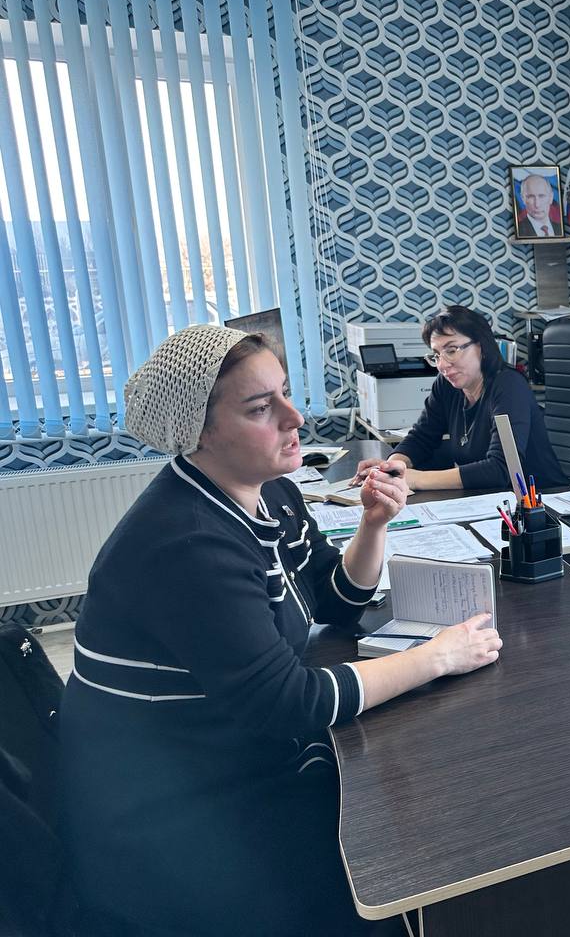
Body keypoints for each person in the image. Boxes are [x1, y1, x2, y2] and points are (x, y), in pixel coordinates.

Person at [59, 325, 502, 936]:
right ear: (200, 432)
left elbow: (337, 600)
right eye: (260, 408)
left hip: (231, 754)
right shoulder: (187, 543)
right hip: (172, 809)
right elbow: (288, 702)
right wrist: (436, 657)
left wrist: (374, 524)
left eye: (286, 393)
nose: (295, 418)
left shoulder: (273, 494)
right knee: (405, 849)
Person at [352, 305, 568, 492]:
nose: (442, 364)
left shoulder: (509, 385)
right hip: (488, 501)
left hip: (541, 503)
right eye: (436, 355)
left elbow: (502, 469)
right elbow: (422, 437)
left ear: (481, 347)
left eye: (452, 350)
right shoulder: (447, 384)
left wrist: (415, 479)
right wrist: (393, 467)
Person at [516, 172, 561, 238]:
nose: (537, 204)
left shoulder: (560, 229)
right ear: (523, 199)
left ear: (551, 197)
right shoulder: (519, 231)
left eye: (541, 196)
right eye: (531, 197)